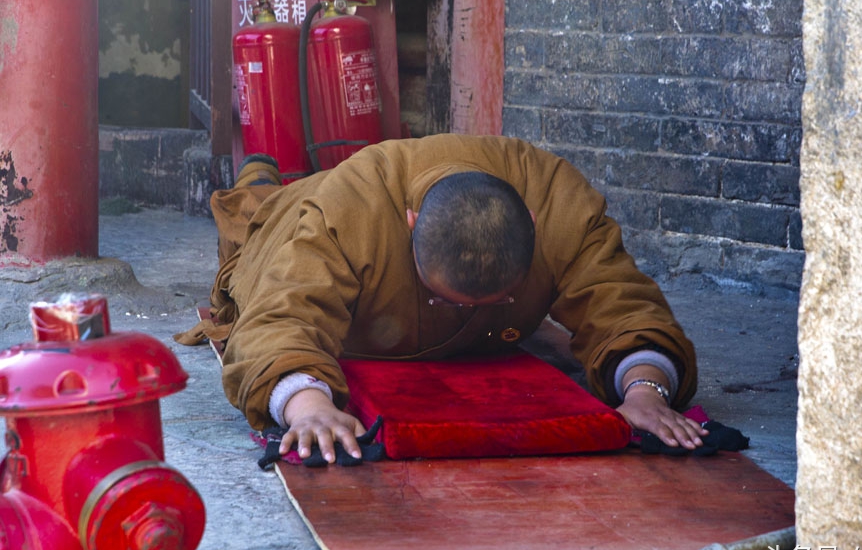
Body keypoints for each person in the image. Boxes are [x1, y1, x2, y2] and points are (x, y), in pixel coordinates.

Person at [178, 134, 707, 464]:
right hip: (299, 206)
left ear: (535, 226)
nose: (467, 317)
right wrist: (309, 406)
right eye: (446, 300)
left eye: (492, 302)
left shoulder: (556, 199)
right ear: (409, 228)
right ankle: (260, 173)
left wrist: (645, 391)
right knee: (251, 219)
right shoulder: (349, 212)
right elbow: (281, 313)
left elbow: (620, 299)